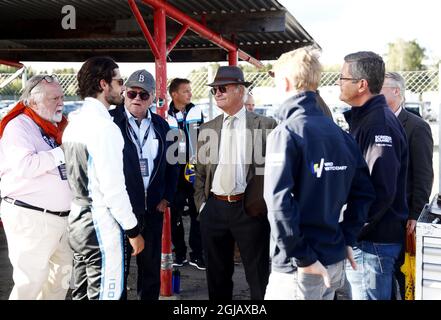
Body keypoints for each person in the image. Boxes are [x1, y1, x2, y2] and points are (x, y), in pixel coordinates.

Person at [263, 46, 375, 300]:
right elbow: (365, 193)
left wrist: (303, 257)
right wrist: (346, 238)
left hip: (299, 271)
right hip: (331, 260)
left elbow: (278, 204)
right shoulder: (340, 135)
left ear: (285, 82)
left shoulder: (286, 133)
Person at [62, 56, 145, 300]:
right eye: (119, 81)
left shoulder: (74, 123)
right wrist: (133, 230)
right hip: (100, 223)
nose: (123, 88)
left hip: (77, 220)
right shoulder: (105, 128)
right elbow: (114, 190)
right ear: (103, 84)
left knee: (81, 295)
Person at [194, 66, 277, 300]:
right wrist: (203, 206)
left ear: (240, 91)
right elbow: (200, 173)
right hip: (215, 209)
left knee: (258, 276)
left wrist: (264, 206)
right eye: (214, 90)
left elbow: (276, 170)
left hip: (250, 209)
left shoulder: (266, 125)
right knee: (217, 277)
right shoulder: (208, 128)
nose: (217, 93)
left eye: (222, 88)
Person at [339, 51, 408, 300]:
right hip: (371, 242)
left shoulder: (378, 124)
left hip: (372, 244)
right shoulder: (367, 119)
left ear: (361, 85)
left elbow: (381, 189)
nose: (338, 83)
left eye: (342, 78)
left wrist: (353, 230)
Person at [0, 75, 73, 299]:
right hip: (31, 217)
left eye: (62, 97)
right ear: (33, 102)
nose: (60, 102)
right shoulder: (18, 126)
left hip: (61, 219)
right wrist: (63, 152)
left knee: (60, 281)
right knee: (30, 283)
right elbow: (26, 166)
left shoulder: (56, 127)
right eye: (54, 98)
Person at [109, 69, 179, 299]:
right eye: (131, 93)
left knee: (150, 272)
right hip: (121, 211)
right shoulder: (110, 122)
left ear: (152, 97)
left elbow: (174, 164)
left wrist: (167, 197)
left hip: (152, 210)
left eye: (143, 95)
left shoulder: (163, 125)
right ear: (124, 93)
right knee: (118, 270)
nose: (137, 99)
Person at [381, 71, 433, 298]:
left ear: (396, 91)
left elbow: (423, 175)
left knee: (404, 278)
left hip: (404, 219)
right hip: (381, 219)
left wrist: (416, 214)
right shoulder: (375, 122)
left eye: (379, 87)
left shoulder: (417, 127)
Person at [167, 78, 205, 270]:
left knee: (198, 213)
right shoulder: (165, 115)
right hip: (175, 172)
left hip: (195, 170)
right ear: (174, 95)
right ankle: (179, 253)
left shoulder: (197, 111)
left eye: (190, 90)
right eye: (186, 91)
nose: (190, 94)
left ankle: (197, 254)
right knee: (174, 215)